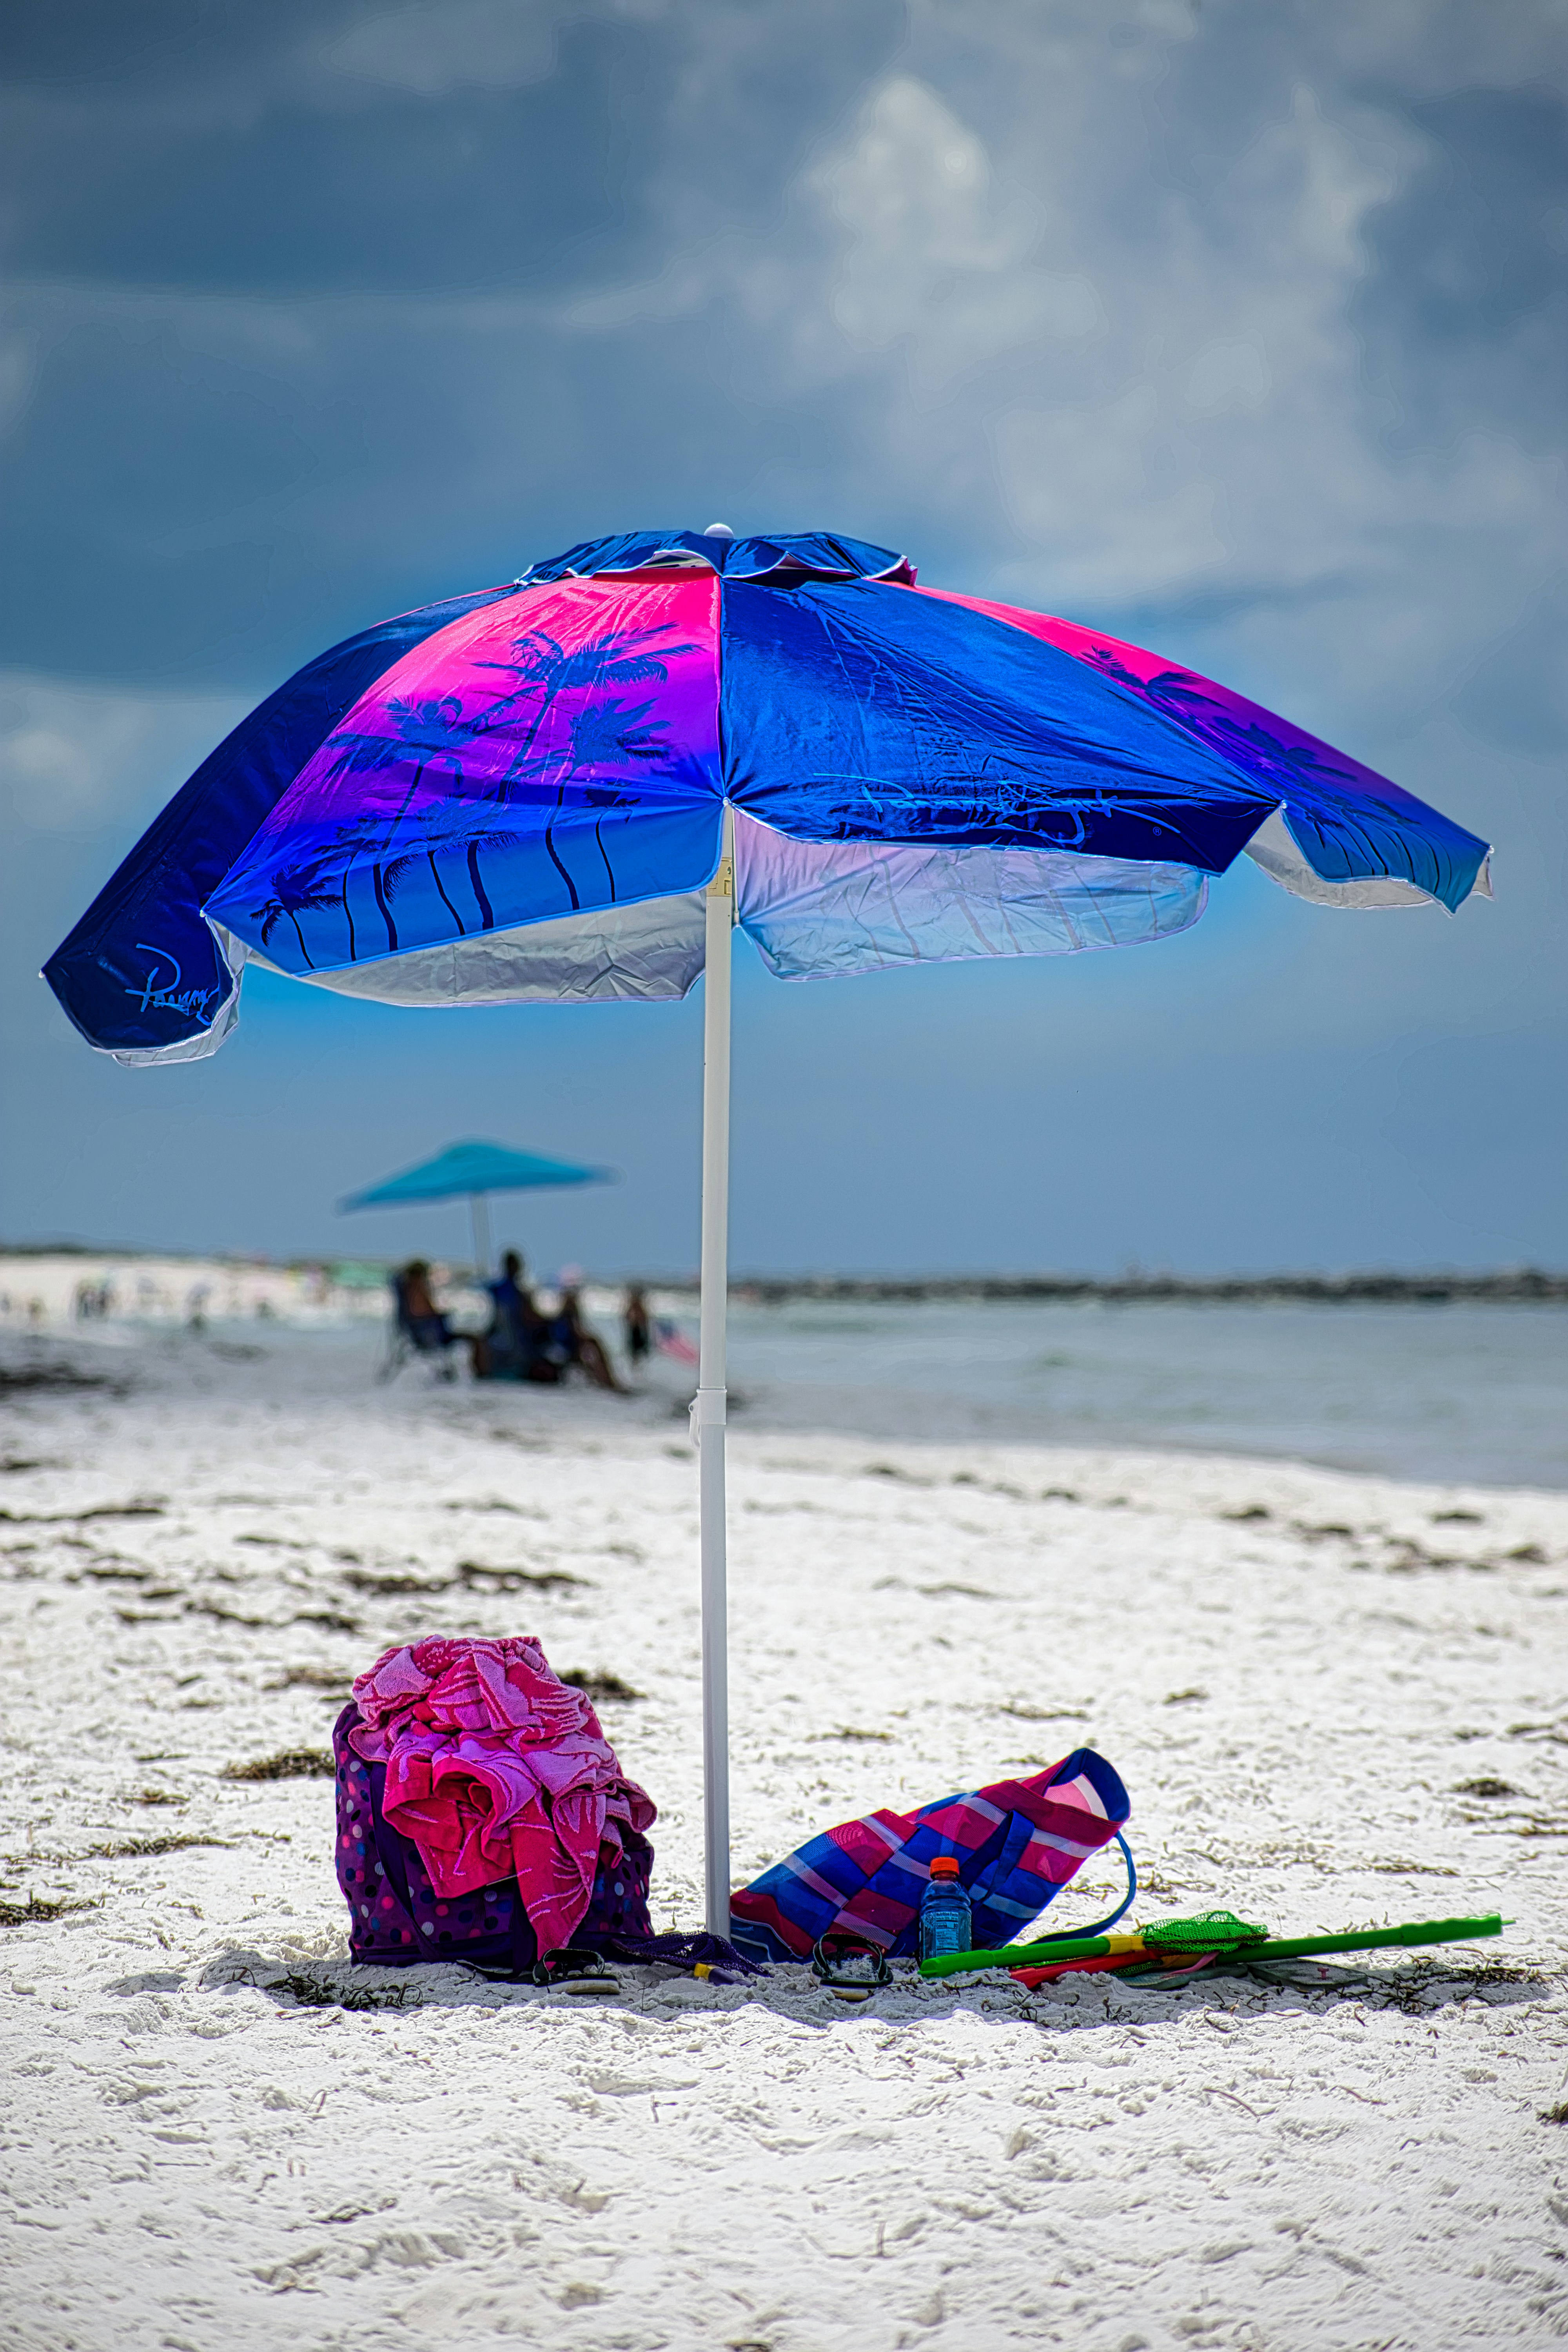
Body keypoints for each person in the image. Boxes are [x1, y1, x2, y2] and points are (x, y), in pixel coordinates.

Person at [547, 1285, 626, 1392]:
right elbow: (574, 1336)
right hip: (563, 1352)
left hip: (564, 1350)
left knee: (591, 1349)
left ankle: (605, 1380)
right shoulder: (566, 1319)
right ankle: (607, 1380)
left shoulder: (564, 1318)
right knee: (592, 1347)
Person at [623, 1285, 652, 1367]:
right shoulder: (636, 1304)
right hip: (636, 1327)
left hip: (637, 1327)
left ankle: (637, 1364)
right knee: (637, 1346)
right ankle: (637, 1364)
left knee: (638, 1346)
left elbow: (628, 1316)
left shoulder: (636, 1304)